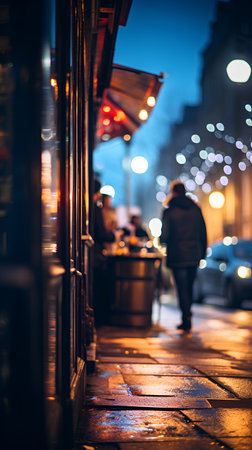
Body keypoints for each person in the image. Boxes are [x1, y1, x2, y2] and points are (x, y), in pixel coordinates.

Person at [160, 180, 207, 331]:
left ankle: (186, 317)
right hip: (194, 254)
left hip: (177, 254)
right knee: (190, 286)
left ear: (173, 192)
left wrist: (162, 241)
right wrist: (202, 252)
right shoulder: (195, 209)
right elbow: (203, 232)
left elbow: (165, 236)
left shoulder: (169, 210)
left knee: (182, 288)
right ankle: (187, 315)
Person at [92, 179, 120, 325]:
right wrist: (113, 235)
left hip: (93, 254)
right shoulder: (96, 209)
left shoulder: (93, 208)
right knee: (100, 289)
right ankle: (101, 319)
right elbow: (101, 233)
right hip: (96, 255)